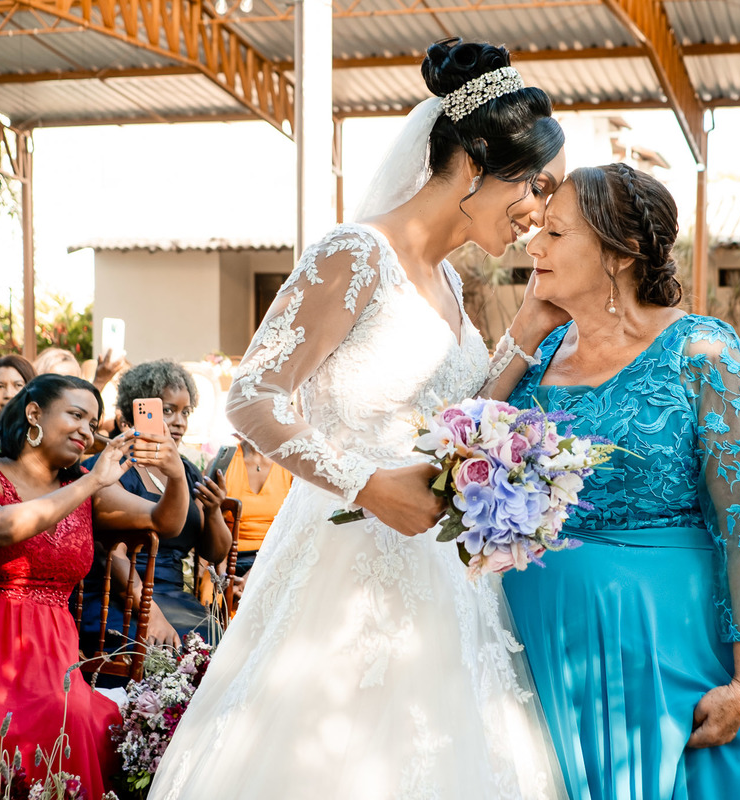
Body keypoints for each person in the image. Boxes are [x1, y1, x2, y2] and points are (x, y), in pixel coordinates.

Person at [147, 38, 569, 800]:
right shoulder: (355, 254)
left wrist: (526, 333)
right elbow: (252, 396)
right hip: (344, 572)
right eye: (534, 187)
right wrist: (369, 484)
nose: (539, 215)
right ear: (474, 163)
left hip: (441, 579)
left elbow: (460, 417)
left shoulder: (446, 282)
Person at [502, 164, 740, 799]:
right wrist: (521, 333)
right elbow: (464, 444)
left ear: (619, 254)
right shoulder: (538, 355)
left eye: (555, 232)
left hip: (662, 649)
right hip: (538, 648)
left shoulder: (702, 353)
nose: (533, 245)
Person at [0, 374, 188, 798]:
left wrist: (175, 475)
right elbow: (1, 528)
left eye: (93, 422)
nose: (87, 430)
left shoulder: (85, 489)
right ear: (34, 414)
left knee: (81, 721)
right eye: (77, 415)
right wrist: (91, 482)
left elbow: (165, 521)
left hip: (50, 657)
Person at [79, 360, 232, 650]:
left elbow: (215, 552)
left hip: (175, 596)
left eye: (185, 412)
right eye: (168, 410)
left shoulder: (187, 470)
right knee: (178, 647)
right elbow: (112, 556)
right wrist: (153, 615)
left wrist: (213, 510)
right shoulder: (112, 466)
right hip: (120, 596)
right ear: (137, 414)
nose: (179, 421)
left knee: (220, 647)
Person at [219, 438, 293, 598]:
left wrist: (255, 574)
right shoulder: (225, 461)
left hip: (276, 560)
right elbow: (209, 524)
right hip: (226, 562)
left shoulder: (289, 463)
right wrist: (225, 577)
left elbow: (295, 531)